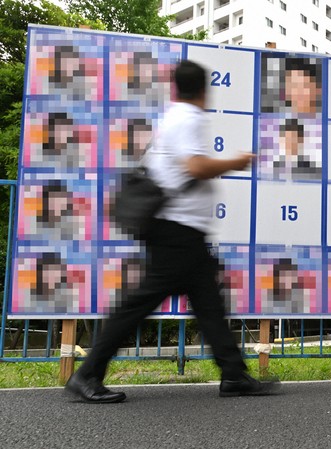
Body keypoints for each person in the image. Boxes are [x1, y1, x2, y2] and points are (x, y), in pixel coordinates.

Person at [66, 60, 280, 404]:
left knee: (209, 303)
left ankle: (234, 374)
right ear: (203, 90)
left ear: (176, 87)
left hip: (183, 232)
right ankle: (88, 373)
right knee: (139, 304)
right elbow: (195, 167)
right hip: (175, 231)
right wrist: (236, 162)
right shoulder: (187, 118)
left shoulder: (176, 117)